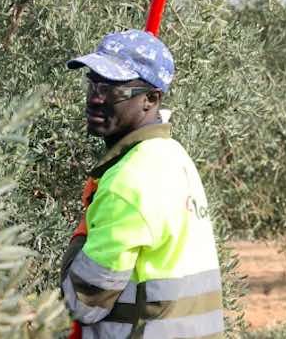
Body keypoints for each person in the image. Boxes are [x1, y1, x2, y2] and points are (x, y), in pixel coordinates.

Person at [60, 29, 224, 338]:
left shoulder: (129, 181)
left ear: (151, 99)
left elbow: (82, 302)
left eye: (113, 89)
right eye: (93, 83)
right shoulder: (174, 157)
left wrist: (81, 234)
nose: (96, 98)